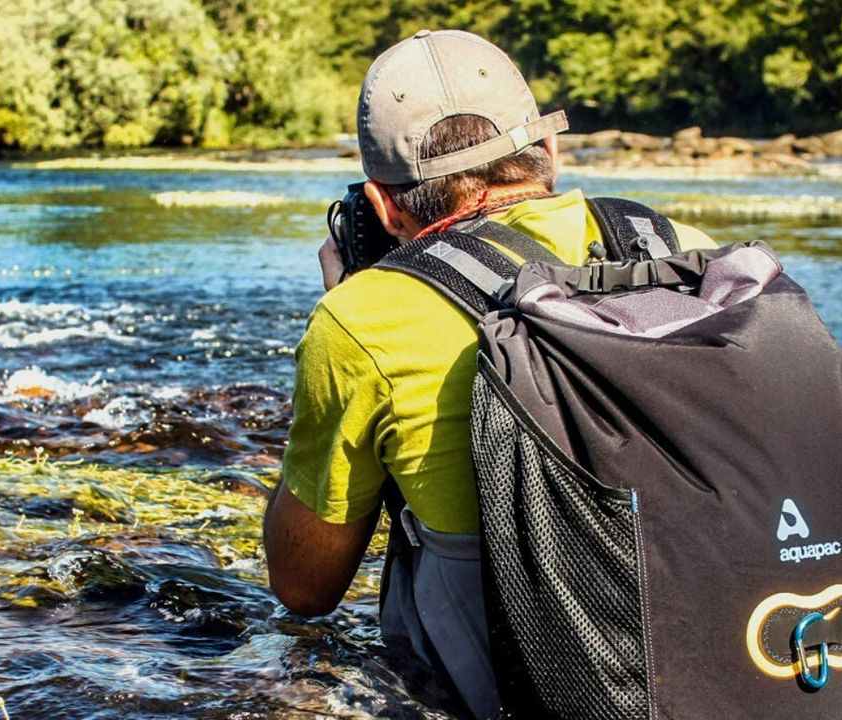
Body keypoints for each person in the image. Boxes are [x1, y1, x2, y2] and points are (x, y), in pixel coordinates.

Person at [263, 29, 717, 717]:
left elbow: (303, 588)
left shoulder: (363, 318)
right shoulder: (691, 252)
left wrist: (343, 317)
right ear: (551, 153)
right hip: (752, 661)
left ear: (382, 206)